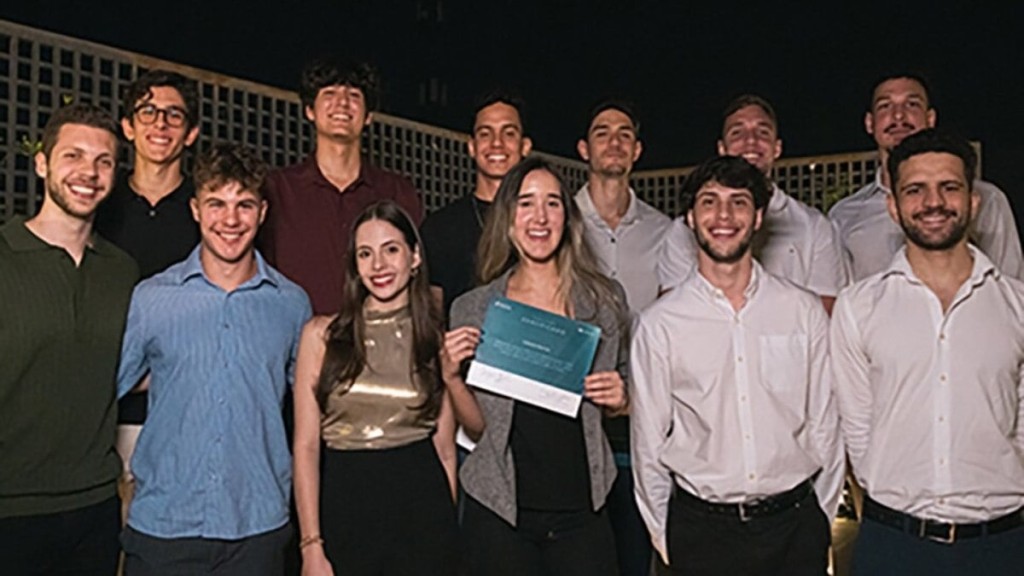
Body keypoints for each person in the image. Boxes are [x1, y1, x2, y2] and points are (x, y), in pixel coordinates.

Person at [631, 156, 844, 575]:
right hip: (701, 534)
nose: (724, 215)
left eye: (739, 202)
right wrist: (666, 540)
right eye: (709, 201)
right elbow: (647, 446)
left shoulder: (801, 310)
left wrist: (820, 518)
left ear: (758, 217)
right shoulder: (660, 324)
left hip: (794, 529)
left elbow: (826, 424)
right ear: (690, 218)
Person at [830, 129, 1024, 576]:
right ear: (893, 206)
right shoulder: (858, 307)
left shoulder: (1016, 305)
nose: (933, 202)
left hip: (1002, 542)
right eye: (915, 190)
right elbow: (858, 427)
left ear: (973, 201)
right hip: (894, 543)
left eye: (949, 187)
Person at [116, 143, 312, 575]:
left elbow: (310, 411)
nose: (230, 219)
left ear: (262, 212)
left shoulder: (291, 304)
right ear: (195, 209)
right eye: (216, 204)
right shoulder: (152, 299)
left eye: (244, 205)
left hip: (257, 526)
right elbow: (105, 392)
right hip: (165, 524)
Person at [445, 157, 630, 576]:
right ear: (508, 218)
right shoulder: (474, 309)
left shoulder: (604, 302)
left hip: (583, 509)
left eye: (552, 203)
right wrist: (451, 378)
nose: (540, 217)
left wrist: (622, 400)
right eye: (526, 203)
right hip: (500, 511)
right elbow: (479, 428)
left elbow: (629, 399)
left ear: (568, 217)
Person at [0, 104, 137, 574]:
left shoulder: (122, 271)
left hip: (94, 506)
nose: (89, 173)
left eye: (103, 161)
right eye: (73, 155)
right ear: (42, 163)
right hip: (9, 506)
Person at [292, 200, 458, 576]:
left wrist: (446, 535)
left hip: (424, 518)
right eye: (365, 254)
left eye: (391, 250)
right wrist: (311, 544)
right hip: (346, 513)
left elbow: (446, 452)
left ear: (415, 257)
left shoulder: (433, 339)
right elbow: (305, 447)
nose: (378, 265)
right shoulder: (321, 336)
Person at [94, 69, 201, 499]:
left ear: (191, 133)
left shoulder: (206, 212)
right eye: (148, 112)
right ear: (128, 127)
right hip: (106, 411)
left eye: (174, 115)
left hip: (185, 406)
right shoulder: (100, 204)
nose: (160, 123)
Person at [574, 99, 669, 576]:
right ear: (583, 148)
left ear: (637, 150)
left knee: (634, 556)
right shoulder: (559, 222)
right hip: (574, 418)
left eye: (624, 133)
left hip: (639, 419)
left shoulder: (665, 231)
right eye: (602, 132)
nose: (614, 141)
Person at [261, 55, 423, 315]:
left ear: (369, 116)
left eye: (354, 95)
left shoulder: (397, 192)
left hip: (379, 335)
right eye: (329, 93)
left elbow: (419, 279)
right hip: (296, 336)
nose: (342, 103)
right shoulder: (276, 189)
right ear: (309, 110)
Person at [658, 95, 847, 312]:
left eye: (763, 132)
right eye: (737, 132)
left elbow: (824, 311)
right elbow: (673, 312)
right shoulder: (684, 230)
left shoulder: (814, 227)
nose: (750, 141)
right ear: (722, 148)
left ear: (777, 148)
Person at [828, 72, 1023, 281]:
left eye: (912, 104)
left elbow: (1011, 283)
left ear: (930, 118)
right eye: (885, 106)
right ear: (870, 123)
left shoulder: (987, 200)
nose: (898, 116)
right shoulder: (845, 215)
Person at [420, 91, 532, 316]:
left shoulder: (542, 224)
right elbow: (431, 316)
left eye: (509, 133)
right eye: (485, 134)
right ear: (472, 147)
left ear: (525, 146)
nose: (497, 143)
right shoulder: (439, 227)